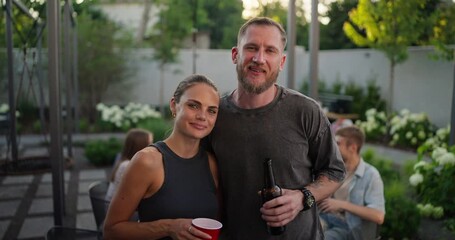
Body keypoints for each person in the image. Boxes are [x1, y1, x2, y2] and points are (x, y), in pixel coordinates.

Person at [207, 17, 346, 239]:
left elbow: (335, 171)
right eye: (251, 48)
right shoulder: (214, 114)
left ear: (281, 61)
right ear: (235, 54)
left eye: (269, 51)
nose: (259, 58)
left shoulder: (305, 110)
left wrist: (303, 198)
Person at [104, 74, 221, 240]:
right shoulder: (147, 161)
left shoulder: (211, 163)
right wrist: (169, 227)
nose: (203, 116)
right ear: (174, 105)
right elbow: (111, 231)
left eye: (211, 110)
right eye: (193, 106)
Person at [318, 125, 385, 240]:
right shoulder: (333, 169)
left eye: (338, 143)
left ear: (353, 148)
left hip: (347, 227)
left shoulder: (371, 175)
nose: (332, 147)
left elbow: (378, 216)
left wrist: (341, 204)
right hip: (323, 217)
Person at [105, 128, 153, 201]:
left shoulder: (125, 160)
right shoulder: (127, 165)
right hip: (118, 209)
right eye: (150, 143)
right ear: (140, 146)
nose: (153, 146)